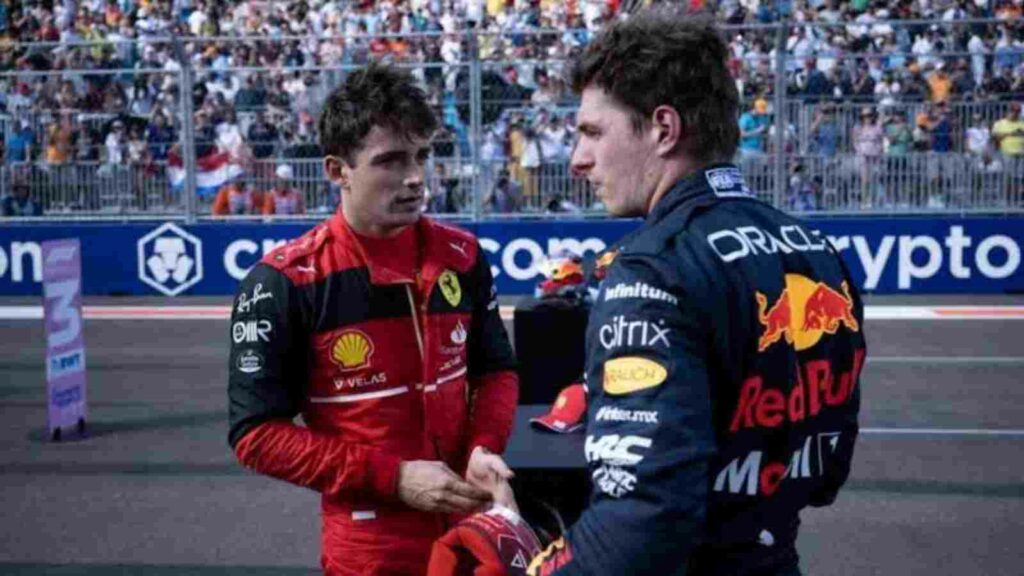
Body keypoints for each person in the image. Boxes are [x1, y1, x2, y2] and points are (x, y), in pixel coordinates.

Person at [528, 9, 865, 576]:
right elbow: (826, 473)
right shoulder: (814, 249)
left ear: (663, 129)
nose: (578, 159)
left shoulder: (653, 271)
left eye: (591, 132)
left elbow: (640, 523)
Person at [227, 62, 520, 576]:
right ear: (337, 170)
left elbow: (496, 370)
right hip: (369, 550)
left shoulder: (464, 255)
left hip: (470, 527)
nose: (414, 177)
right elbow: (256, 434)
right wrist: (394, 477)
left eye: (421, 156)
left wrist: (483, 447)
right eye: (390, 160)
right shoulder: (284, 282)